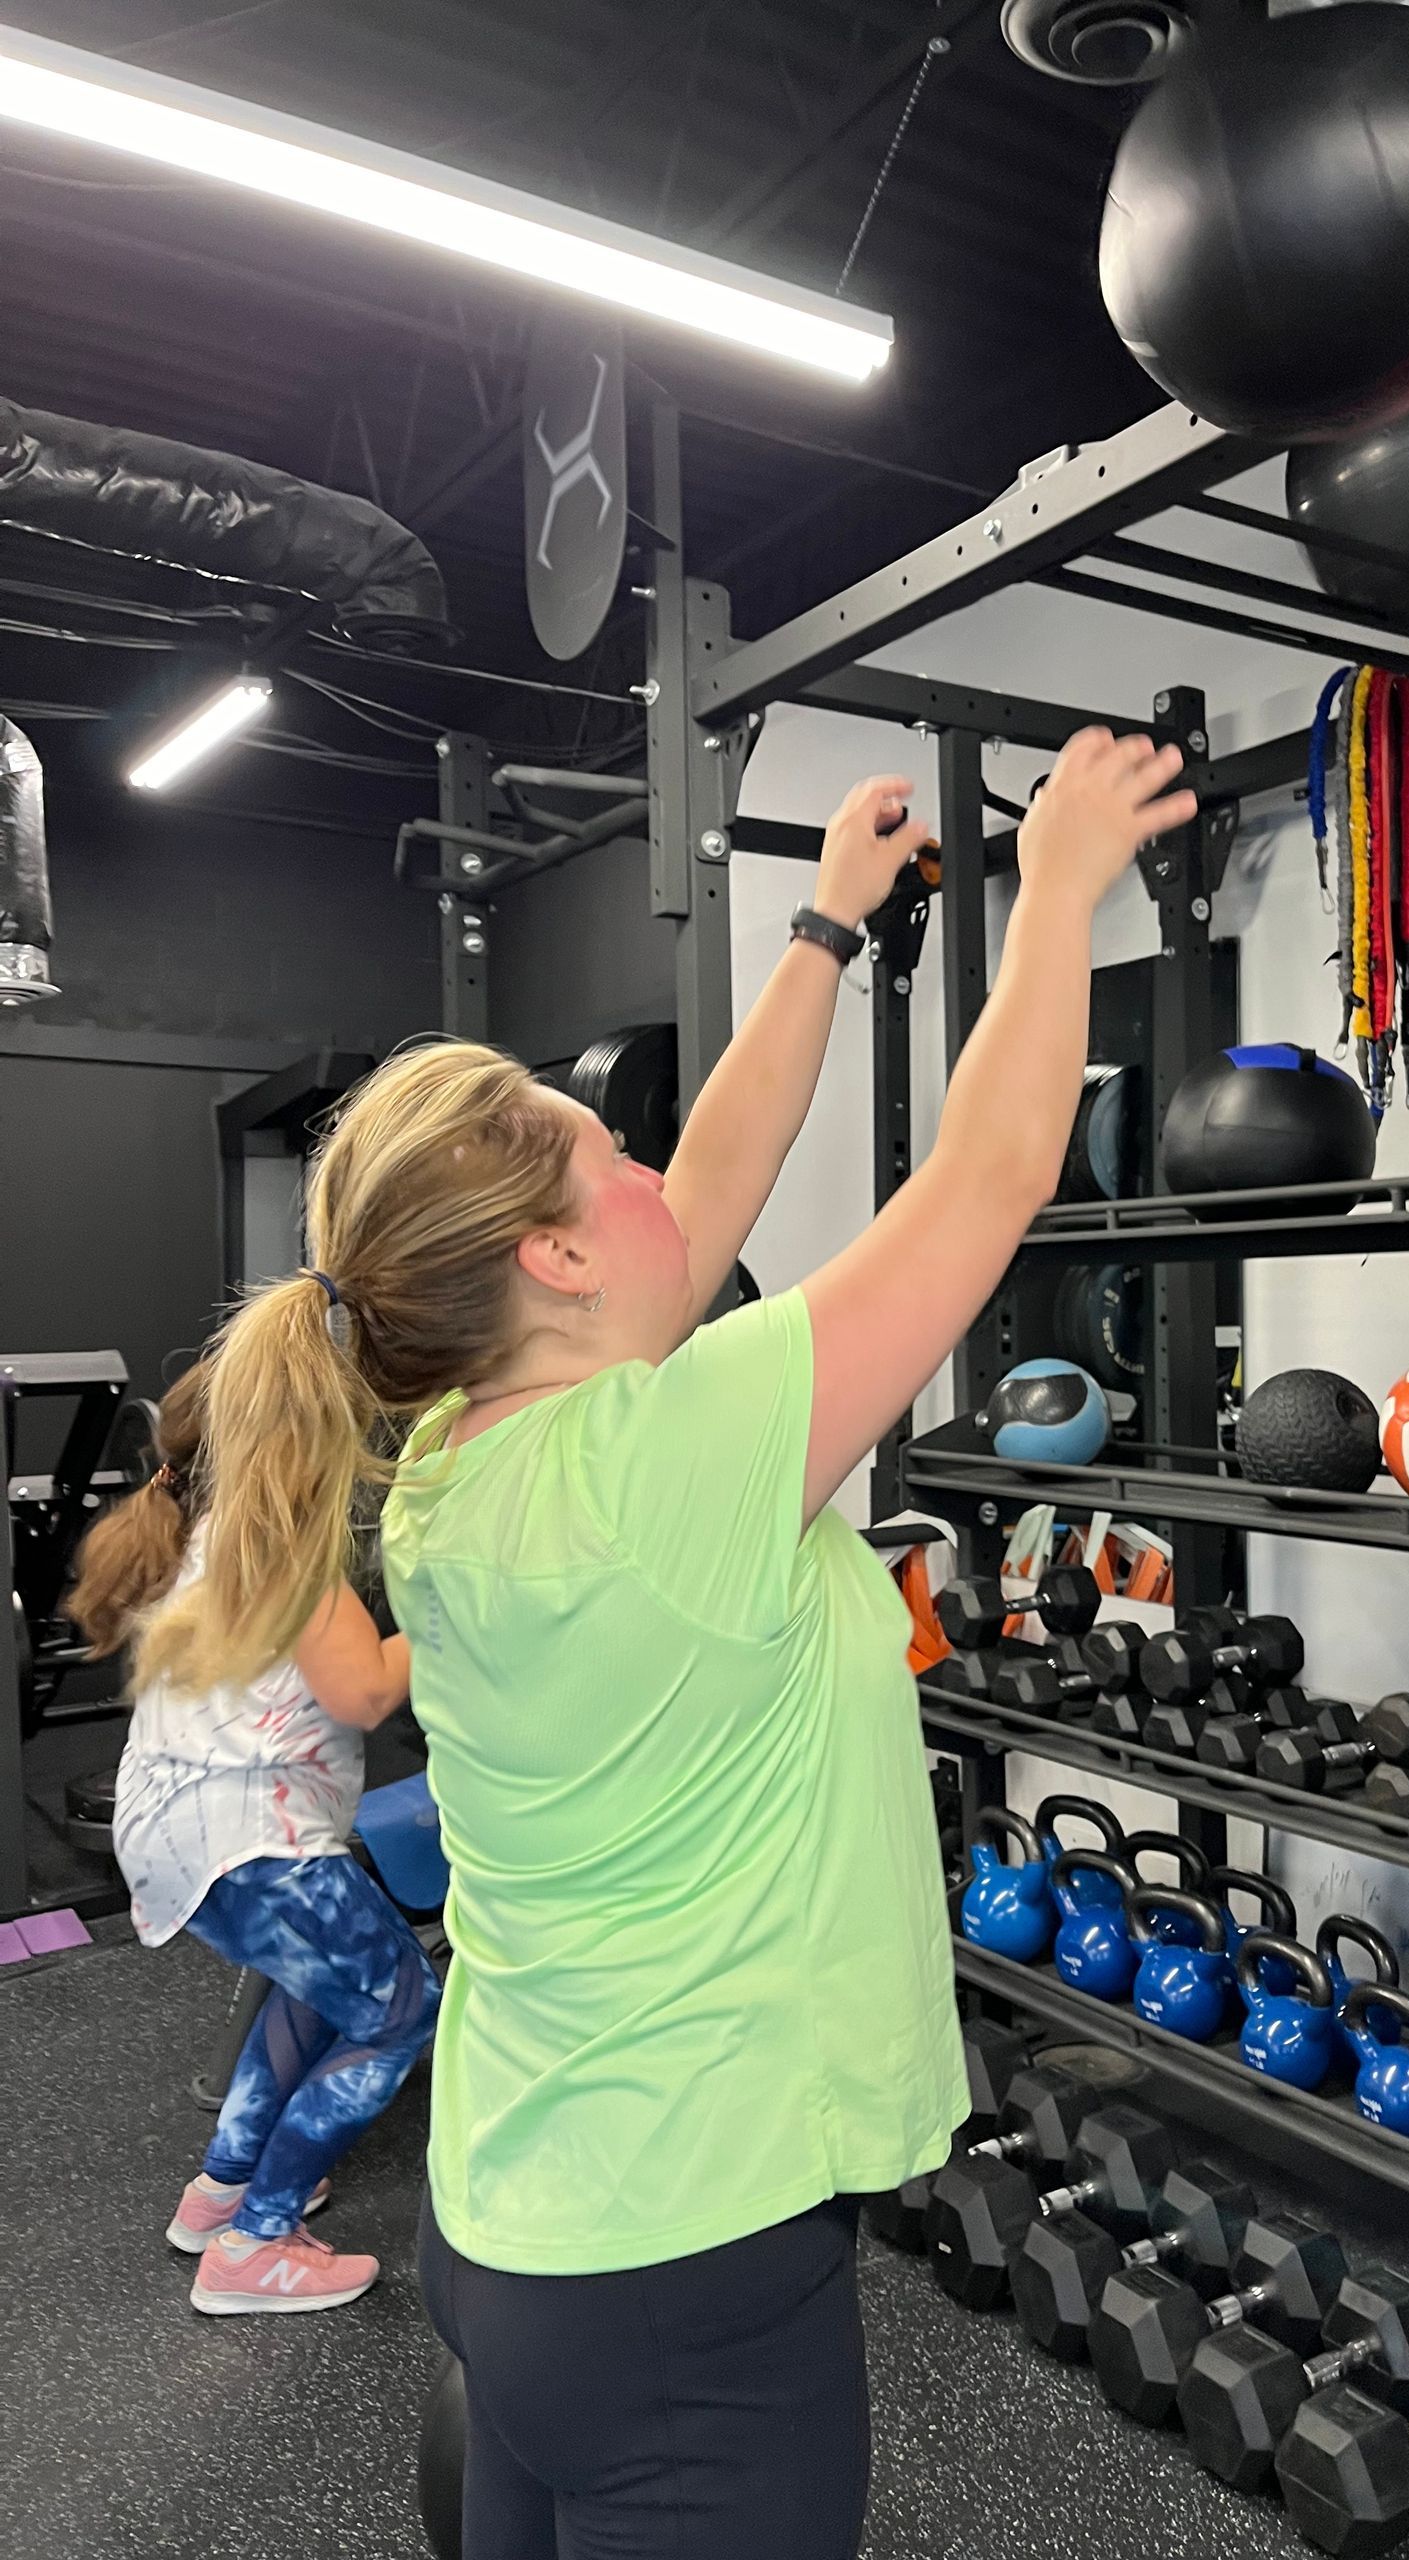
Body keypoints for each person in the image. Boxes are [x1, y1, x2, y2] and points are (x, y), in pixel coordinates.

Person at [163, 727, 1194, 2556]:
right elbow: (991, 1176)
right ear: (556, 1264)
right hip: (690, 2282)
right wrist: (1059, 890)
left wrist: (825, 929)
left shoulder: (465, 1476)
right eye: (603, 1148)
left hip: (519, 2225)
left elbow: (699, 1189)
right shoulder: (675, 1454)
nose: (653, 1162)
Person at [68, 1360, 435, 2314]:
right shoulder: (274, 1542)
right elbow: (366, 1687)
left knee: (317, 1990)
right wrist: (458, 1603)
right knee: (401, 2005)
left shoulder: (201, 1529)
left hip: (181, 1826)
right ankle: (256, 2241)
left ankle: (221, 2188)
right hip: (248, 1834)